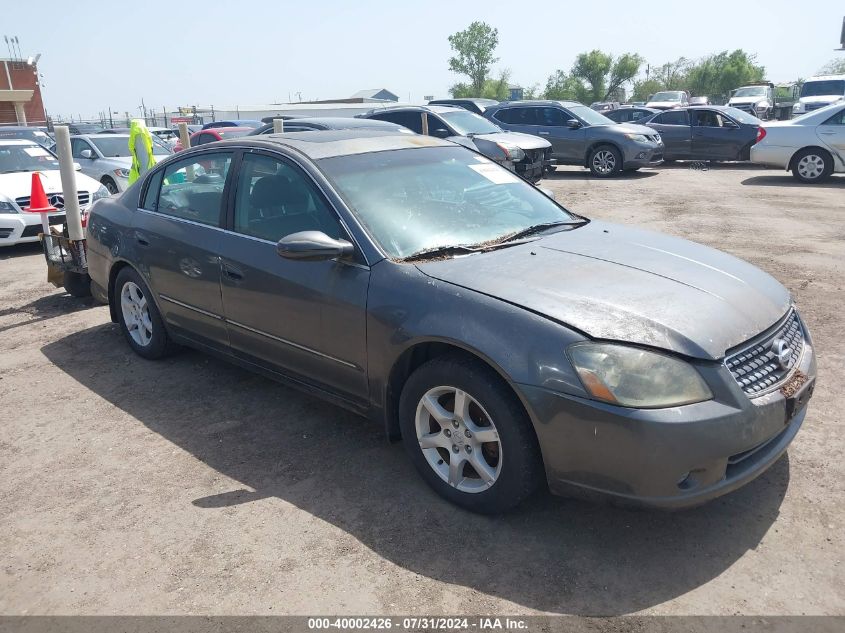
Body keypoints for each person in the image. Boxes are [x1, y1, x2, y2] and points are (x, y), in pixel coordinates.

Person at [127, 119, 157, 185]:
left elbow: (143, 159)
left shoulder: (139, 134)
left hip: (144, 175)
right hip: (147, 174)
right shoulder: (143, 134)